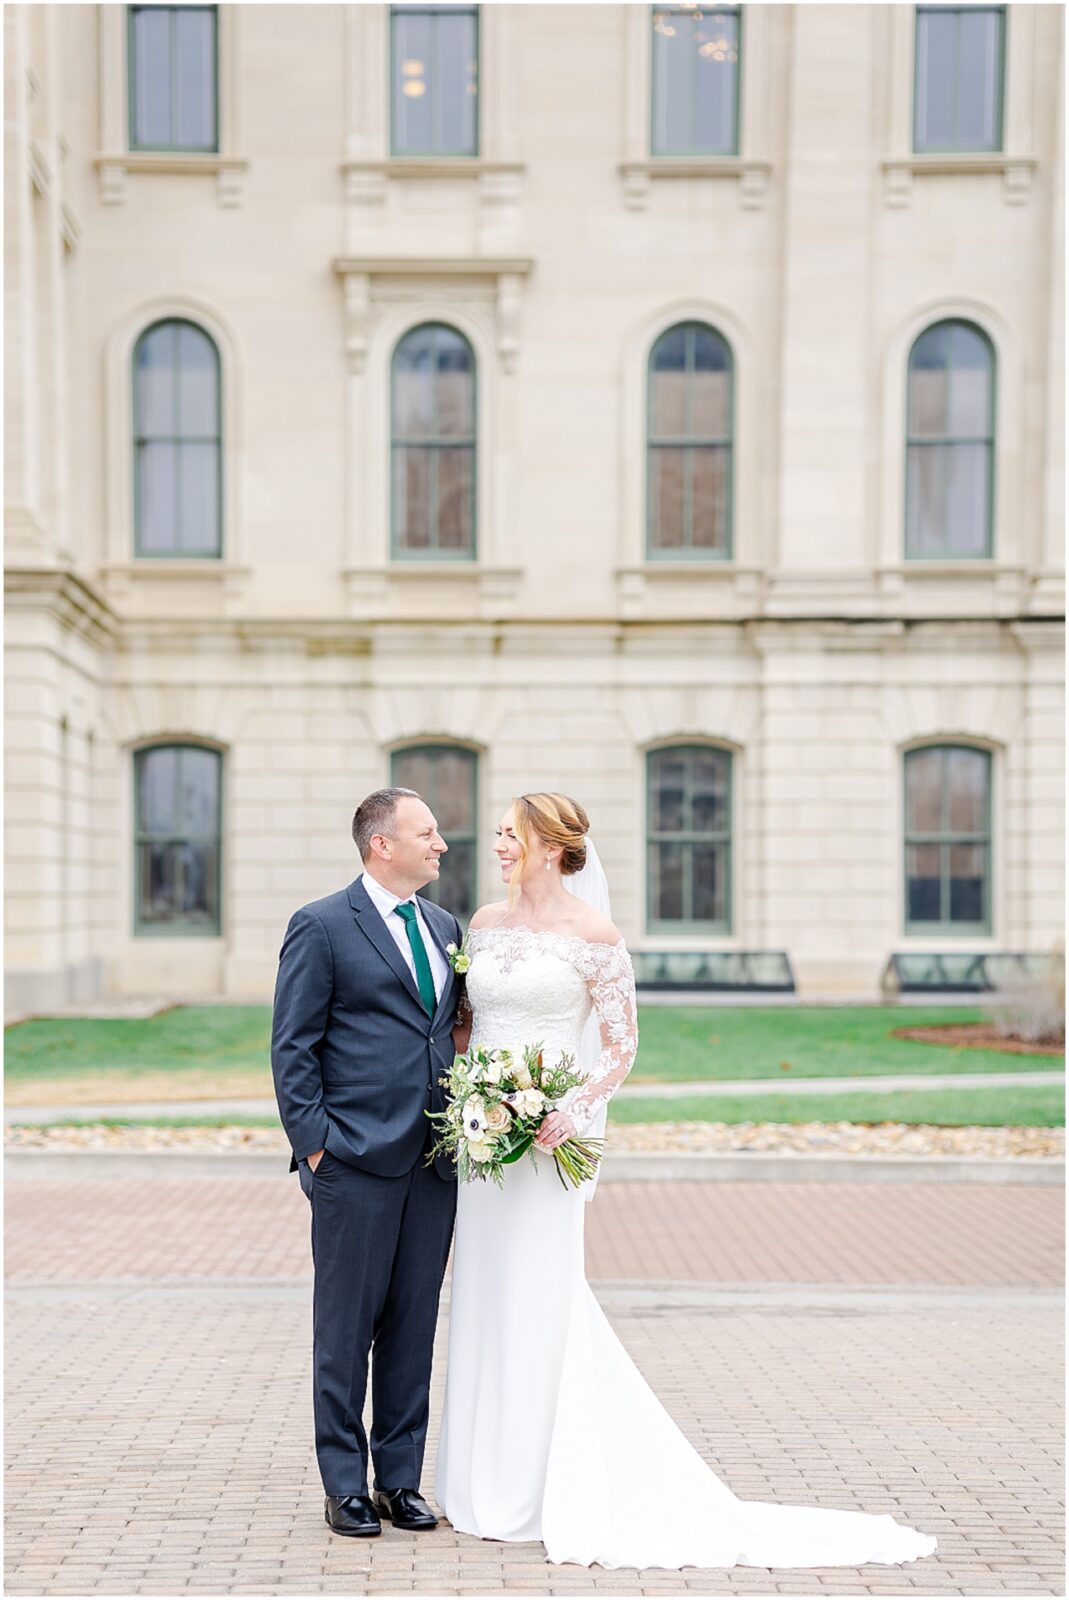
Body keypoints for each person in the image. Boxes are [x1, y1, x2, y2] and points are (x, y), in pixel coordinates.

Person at [436, 791, 938, 1571]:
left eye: (509, 834)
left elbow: (620, 1047)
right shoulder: (483, 925)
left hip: (547, 1142)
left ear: (548, 844)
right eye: (498, 833)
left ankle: (543, 1483)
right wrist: (476, 1093)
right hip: (483, 1143)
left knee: (541, 1296)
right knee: (481, 1293)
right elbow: (466, 1024)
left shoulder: (594, 935)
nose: (497, 844)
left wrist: (567, 1108)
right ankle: (479, 1482)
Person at [271, 787, 461, 1539]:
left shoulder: (445, 927)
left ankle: (400, 1480)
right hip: (352, 1159)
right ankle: (345, 1484)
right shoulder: (321, 926)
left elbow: (447, 1034)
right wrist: (317, 1145)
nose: (440, 843)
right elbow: (292, 1047)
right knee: (345, 1331)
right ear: (381, 844)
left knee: (412, 1328)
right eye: (426, 832)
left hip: (432, 1163)